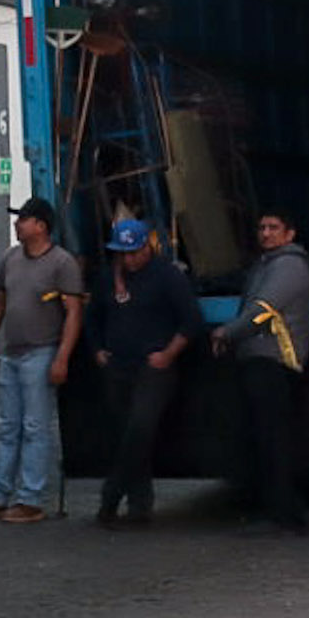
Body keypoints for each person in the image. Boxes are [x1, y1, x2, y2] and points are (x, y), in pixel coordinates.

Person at [0, 196, 83, 524]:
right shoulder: (10, 258)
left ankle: (30, 498)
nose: (17, 224)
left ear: (41, 226)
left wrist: (62, 358)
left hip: (42, 352)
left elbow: (73, 313)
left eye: (23, 219)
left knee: (34, 428)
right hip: (11, 352)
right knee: (7, 427)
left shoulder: (62, 263)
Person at [92, 217, 202, 529]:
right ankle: (139, 506)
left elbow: (191, 320)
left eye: (133, 253)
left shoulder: (167, 276)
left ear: (146, 248)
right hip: (118, 367)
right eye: (122, 254)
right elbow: (93, 317)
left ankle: (111, 496)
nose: (128, 260)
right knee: (126, 434)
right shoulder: (108, 278)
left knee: (139, 429)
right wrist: (98, 349)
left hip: (153, 369)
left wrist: (168, 354)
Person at [214, 210, 309, 532]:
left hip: (274, 363)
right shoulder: (267, 264)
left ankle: (281, 515)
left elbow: (263, 311)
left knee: (273, 442)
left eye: (274, 227)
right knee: (267, 440)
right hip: (261, 360)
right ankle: (291, 511)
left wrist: (227, 333)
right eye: (262, 228)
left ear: (290, 233)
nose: (266, 233)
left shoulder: (289, 265)